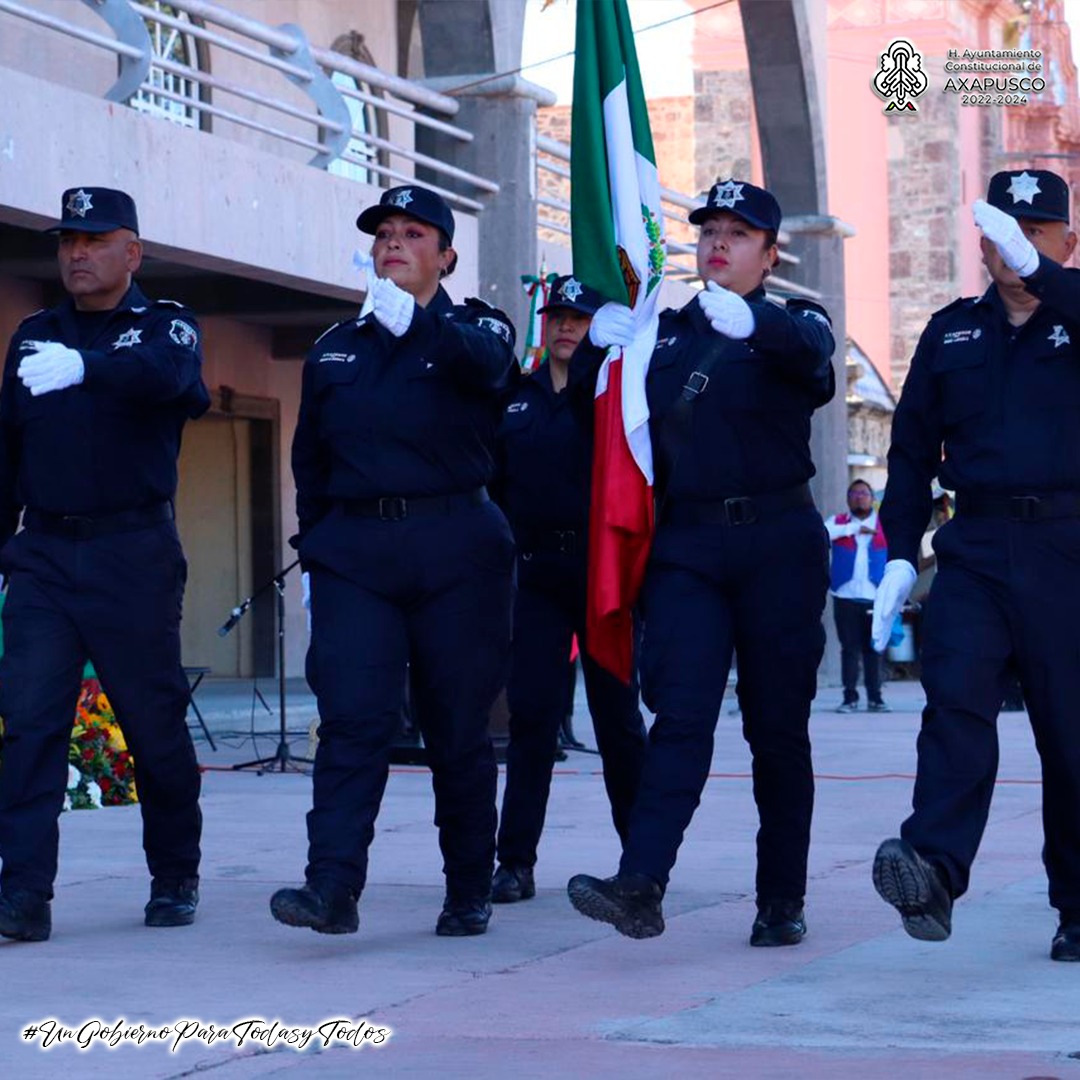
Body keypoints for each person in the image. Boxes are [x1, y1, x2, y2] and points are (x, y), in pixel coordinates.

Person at [566, 179, 835, 945]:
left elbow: (815, 365)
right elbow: (600, 425)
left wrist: (754, 322)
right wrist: (596, 352)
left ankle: (781, 898)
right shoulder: (665, 330)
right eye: (709, 229)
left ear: (770, 253)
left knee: (776, 726)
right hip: (687, 545)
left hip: (776, 542)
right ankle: (641, 882)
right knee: (680, 715)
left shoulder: (794, 320)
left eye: (739, 233)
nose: (719, 242)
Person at [271, 185, 518, 938]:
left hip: (455, 549)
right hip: (357, 554)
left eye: (413, 234)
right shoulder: (335, 346)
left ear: (445, 255)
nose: (393, 243)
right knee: (352, 720)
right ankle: (332, 887)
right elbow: (310, 458)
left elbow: (490, 368)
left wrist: (421, 328)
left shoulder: (477, 327)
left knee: (457, 728)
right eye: (383, 233)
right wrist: (316, 554)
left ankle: (469, 885)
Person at [871, 168, 1080, 963]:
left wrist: (1046, 280)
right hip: (977, 548)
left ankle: (1078, 905)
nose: (1014, 247)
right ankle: (931, 867)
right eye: (1001, 232)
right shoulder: (953, 332)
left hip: (1069, 549)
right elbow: (911, 450)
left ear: (1067, 240)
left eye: (1035, 232)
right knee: (955, 703)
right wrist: (897, 551)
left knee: (1070, 738)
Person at [0, 187, 210, 941]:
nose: (76, 254)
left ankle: (174, 874)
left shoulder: (167, 325)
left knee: (152, 725)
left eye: (94, 240)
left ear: (133, 252)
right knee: (29, 726)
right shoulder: (33, 335)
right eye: (66, 241)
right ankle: (23, 895)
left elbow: (171, 380)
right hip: (46, 555)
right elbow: (8, 450)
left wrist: (87, 368)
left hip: (132, 553)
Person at [489, 275, 647, 904]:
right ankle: (515, 862)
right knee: (531, 719)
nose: (564, 328)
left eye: (578, 319)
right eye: (556, 316)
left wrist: (603, 359)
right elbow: (496, 483)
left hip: (600, 571)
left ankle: (641, 859)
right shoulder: (517, 396)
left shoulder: (606, 391)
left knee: (616, 720)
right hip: (537, 577)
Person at [824, 479, 889, 713]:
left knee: (874, 649)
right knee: (849, 649)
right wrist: (854, 529)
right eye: (854, 493)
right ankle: (849, 697)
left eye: (864, 493)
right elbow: (824, 533)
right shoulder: (839, 522)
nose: (859, 497)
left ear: (872, 498)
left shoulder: (885, 524)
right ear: (848, 498)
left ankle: (876, 698)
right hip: (845, 595)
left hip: (875, 596)